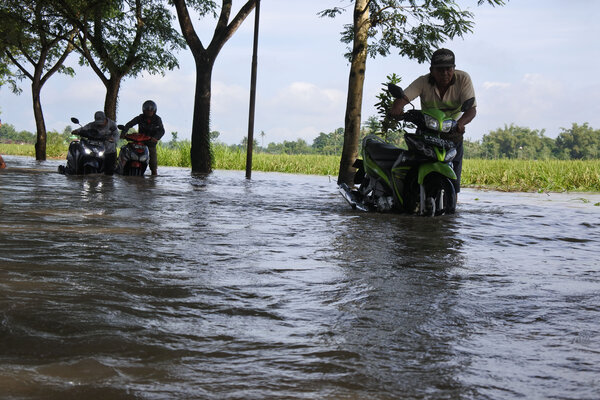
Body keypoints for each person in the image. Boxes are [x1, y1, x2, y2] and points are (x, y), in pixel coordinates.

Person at [390, 48, 477, 195]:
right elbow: (403, 98)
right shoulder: (423, 81)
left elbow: (471, 109)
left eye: (448, 69)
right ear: (432, 70)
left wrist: (461, 124)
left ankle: (453, 198)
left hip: (451, 131)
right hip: (427, 130)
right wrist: (397, 109)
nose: (445, 73)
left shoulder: (463, 79)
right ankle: (409, 193)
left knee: (454, 169)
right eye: (440, 70)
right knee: (413, 163)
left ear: (454, 68)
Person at [120, 100, 165, 175]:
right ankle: (121, 167)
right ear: (144, 110)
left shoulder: (158, 119)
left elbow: (161, 131)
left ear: (154, 111)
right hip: (139, 141)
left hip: (150, 142)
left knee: (153, 162)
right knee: (127, 149)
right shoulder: (140, 117)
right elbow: (129, 124)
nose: (149, 112)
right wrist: (123, 133)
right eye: (147, 110)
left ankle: (154, 175)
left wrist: (155, 138)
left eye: (151, 110)